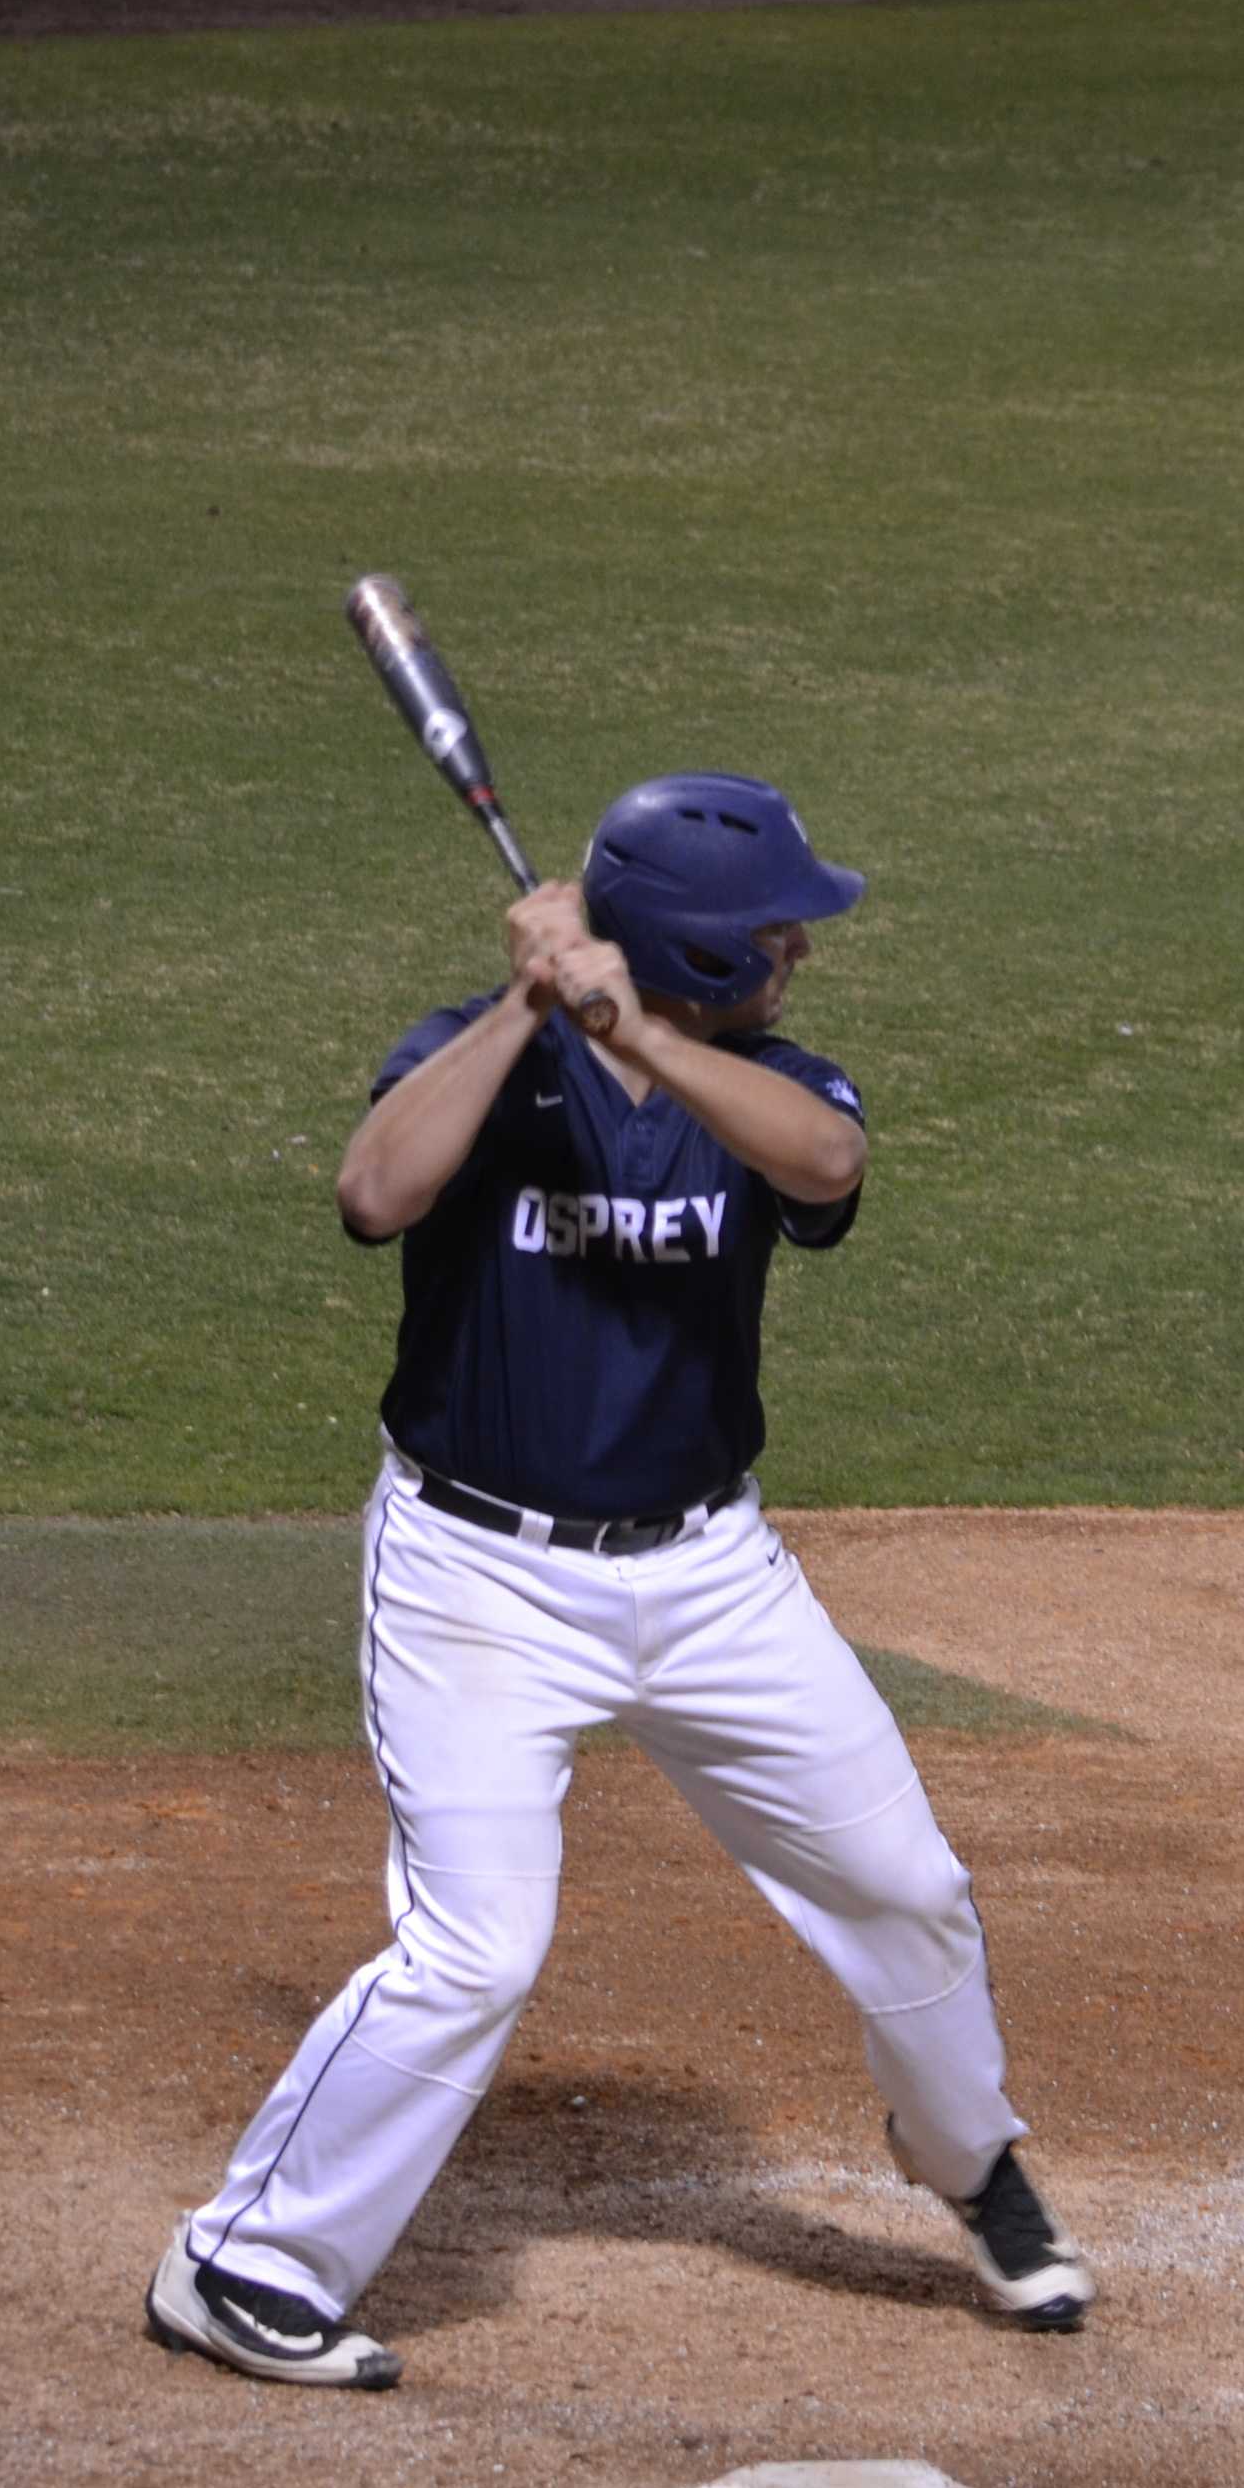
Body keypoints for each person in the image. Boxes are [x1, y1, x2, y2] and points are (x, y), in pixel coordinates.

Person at [146, 772, 1088, 2390]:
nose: (803, 947)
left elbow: (824, 1165)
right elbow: (374, 1193)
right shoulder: (478, 1057)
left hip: (715, 1579)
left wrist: (640, 1037)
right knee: (474, 1949)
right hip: (475, 1585)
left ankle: (968, 2157)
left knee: (905, 1890)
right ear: (707, 951)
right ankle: (241, 2264)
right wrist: (530, 1007)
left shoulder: (764, 1080)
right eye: (775, 931)